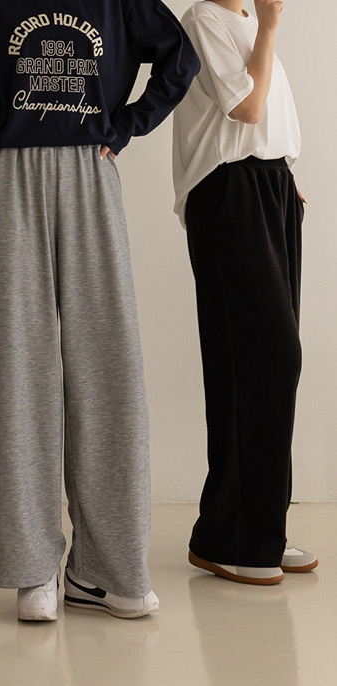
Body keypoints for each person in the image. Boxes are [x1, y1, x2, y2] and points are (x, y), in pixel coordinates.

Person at [0, 0, 200, 621]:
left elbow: (180, 55)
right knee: (18, 376)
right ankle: (33, 568)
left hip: (90, 167)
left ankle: (107, 570)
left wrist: (127, 124)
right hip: (3, 176)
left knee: (109, 368)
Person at [173, 0, 318, 585]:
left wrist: (282, 175)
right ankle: (228, 537)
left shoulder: (252, 25)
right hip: (229, 191)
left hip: (271, 188)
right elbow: (247, 107)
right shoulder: (203, 20)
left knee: (266, 368)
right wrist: (271, 26)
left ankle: (262, 531)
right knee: (262, 361)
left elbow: (268, 119)